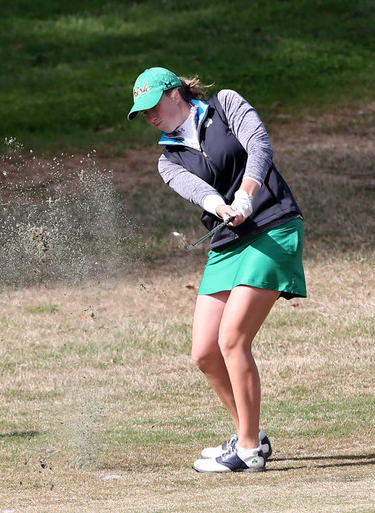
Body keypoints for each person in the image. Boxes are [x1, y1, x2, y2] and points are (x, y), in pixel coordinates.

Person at [127, 67, 306, 473]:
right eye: (143, 112)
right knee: (205, 352)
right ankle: (250, 434)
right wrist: (219, 206)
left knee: (232, 339)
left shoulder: (225, 104)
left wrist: (247, 193)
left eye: (153, 105)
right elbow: (196, 190)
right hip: (228, 242)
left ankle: (247, 451)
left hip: (273, 226)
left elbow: (259, 145)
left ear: (175, 94)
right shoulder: (167, 159)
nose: (150, 116)